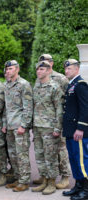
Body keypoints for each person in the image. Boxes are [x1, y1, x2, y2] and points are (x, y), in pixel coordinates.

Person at [34, 53, 71, 189]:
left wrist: (59, 126)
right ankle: (45, 178)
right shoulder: (38, 82)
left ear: (51, 64)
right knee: (43, 154)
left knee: (60, 152)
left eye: (45, 63)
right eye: (40, 63)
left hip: (54, 123)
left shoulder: (60, 79)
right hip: (40, 124)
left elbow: (65, 102)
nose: (41, 68)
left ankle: (64, 177)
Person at [31, 61, 63, 195]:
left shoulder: (55, 87)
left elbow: (59, 109)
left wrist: (57, 128)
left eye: (42, 69)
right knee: (39, 156)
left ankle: (51, 182)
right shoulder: (36, 87)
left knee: (50, 157)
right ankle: (44, 180)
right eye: (38, 69)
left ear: (49, 70)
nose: (39, 71)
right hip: (38, 127)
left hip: (49, 128)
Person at [2, 60, 33, 192]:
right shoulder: (7, 85)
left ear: (17, 69)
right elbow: (6, 107)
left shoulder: (24, 84)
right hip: (9, 125)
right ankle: (18, 178)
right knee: (13, 155)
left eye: (11, 69)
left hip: (19, 126)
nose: (8, 71)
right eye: (7, 69)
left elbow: (28, 107)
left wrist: (24, 125)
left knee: (22, 155)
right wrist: (4, 124)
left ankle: (24, 181)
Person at [61, 59, 88, 200]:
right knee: (73, 159)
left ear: (77, 69)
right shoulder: (71, 85)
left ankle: (86, 190)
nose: (66, 71)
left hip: (78, 131)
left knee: (82, 160)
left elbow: (85, 108)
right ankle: (78, 186)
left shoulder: (80, 85)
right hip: (71, 130)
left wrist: (81, 128)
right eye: (66, 69)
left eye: (69, 69)